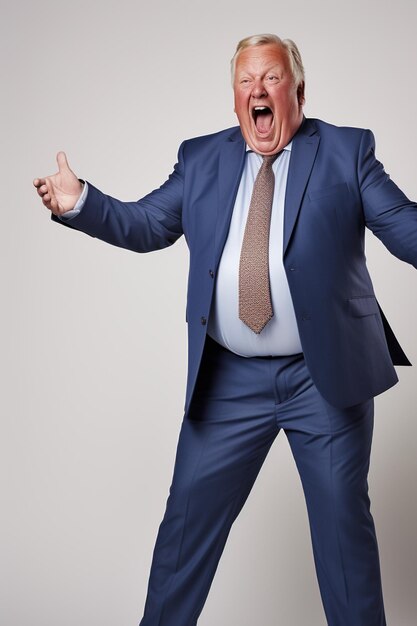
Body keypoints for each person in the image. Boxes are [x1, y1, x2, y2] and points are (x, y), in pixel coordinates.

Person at [33, 33, 417, 626]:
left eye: (271, 78)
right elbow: (145, 224)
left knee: (344, 537)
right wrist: (81, 201)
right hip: (229, 380)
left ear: (298, 90)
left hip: (323, 379)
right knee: (184, 530)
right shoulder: (201, 158)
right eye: (245, 81)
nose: (257, 90)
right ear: (235, 97)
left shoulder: (346, 152)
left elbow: (402, 226)